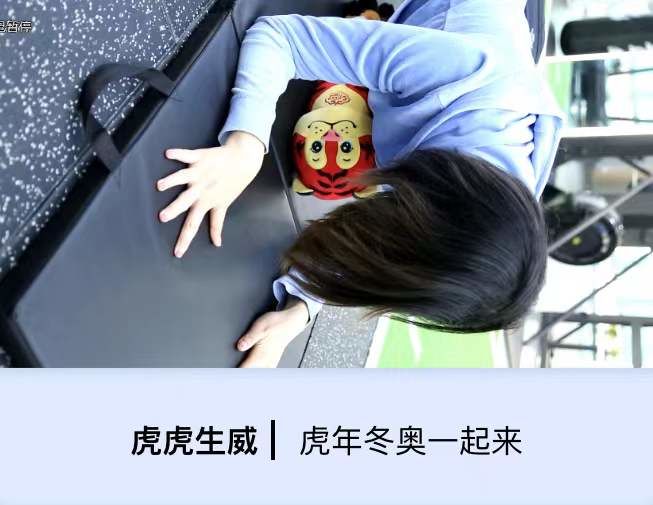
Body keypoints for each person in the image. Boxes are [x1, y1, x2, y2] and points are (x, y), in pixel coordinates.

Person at [156, 0, 563, 367]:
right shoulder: (460, 72)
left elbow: (396, 258)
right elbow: (281, 38)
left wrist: (298, 310)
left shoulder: (493, 209)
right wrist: (245, 146)